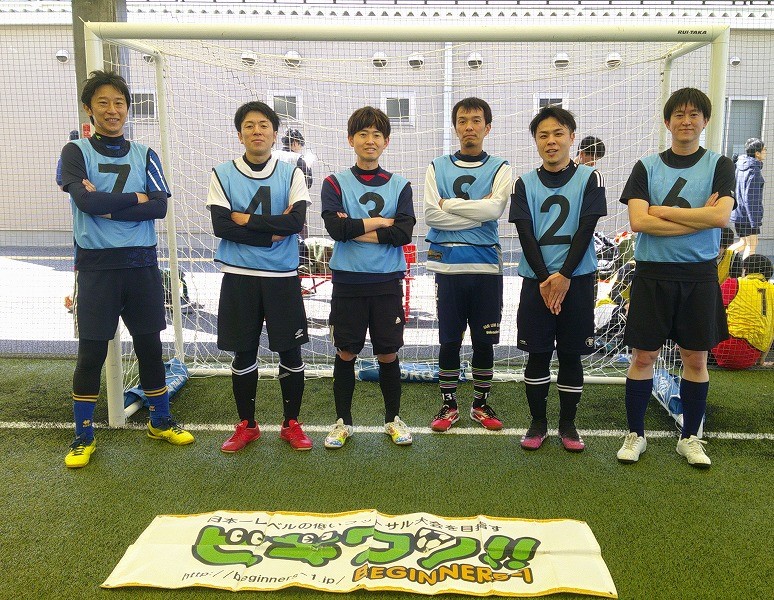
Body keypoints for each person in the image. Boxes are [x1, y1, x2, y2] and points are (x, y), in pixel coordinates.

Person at [58, 70, 194, 468]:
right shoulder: (75, 152)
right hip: (96, 268)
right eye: (103, 102)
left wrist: (108, 205)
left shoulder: (145, 154)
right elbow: (86, 203)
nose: (112, 110)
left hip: (142, 265)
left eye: (119, 102)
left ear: (128, 109)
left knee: (150, 346)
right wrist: (135, 198)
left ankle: (160, 421)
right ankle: (83, 436)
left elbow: (159, 206)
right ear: (89, 108)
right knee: (91, 352)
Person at [616, 87, 736, 468]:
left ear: (705, 120)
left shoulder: (720, 165)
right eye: (679, 115)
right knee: (644, 356)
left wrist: (662, 212)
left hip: (699, 276)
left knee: (695, 360)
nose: (686, 121)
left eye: (694, 114)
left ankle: (690, 438)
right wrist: (698, 219)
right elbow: (639, 222)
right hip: (652, 274)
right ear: (667, 122)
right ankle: (635, 435)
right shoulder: (646, 167)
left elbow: (720, 217)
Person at [207, 101, 313, 452]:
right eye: (249, 126)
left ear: (274, 133)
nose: (257, 131)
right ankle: (247, 425)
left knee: (291, 353)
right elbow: (221, 226)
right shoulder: (223, 173)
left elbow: (295, 222)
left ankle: (291, 423)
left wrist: (246, 220)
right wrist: (270, 234)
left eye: (264, 125)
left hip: (282, 276)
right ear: (240, 134)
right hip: (239, 275)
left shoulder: (291, 173)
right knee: (243, 353)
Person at [509, 106, 607, 452]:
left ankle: (568, 425)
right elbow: (525, 232)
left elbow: (586, 228)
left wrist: (564, 276)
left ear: (571, 137)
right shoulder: (524, 183)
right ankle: (538, 423)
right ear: (536, 141)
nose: (551, 141)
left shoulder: (590, 178)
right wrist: (545, 278)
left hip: (577, 281)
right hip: (536, 282)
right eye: (543, 135)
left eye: (558, 134)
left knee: (570, 355)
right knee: (537, 354)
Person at [321, 107, 415, 449]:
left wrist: (354, 228)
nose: (370, 140)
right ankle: (342, 423)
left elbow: (403, 233)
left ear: (386, 141)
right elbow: (335, 230)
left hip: (386, 282)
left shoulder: (401, 185)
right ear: (351, 140)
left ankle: (392, 419)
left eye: (377, 134)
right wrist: (380, 222)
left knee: (388, 353)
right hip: (348, 281)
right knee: (346, 352)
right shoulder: (334, 182)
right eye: (363, 134)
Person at [423, 97, 512, 432]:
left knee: (484, 341)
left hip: (486, 267)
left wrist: (449, 205)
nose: (469, 127)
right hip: (448, 268)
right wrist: (478, 213)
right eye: (463, 121)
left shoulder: (501, 167)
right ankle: (448, 406)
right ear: (455, 127)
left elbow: (495, 210)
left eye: (476, 121)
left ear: (487, 127)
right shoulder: (437, 166)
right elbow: (431, 215)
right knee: (449, 340)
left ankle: (480, 404)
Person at [712, 254, 774, 369]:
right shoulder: (772, 290)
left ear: (745, 269)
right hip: (750, 357)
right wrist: (761, 361)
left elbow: (710, 309)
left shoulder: (734, 283)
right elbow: (771, 331)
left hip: (724, 349)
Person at [730, 138, 766, 259]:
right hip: (748, 216)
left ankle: (724, 261)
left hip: (738, 213)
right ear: (757, 153)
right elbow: (751, 198)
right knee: (751, 246)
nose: (766, 152)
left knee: (743, 243)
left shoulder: (740, 165)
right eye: (764, 150)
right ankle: (745, 271)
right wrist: (754, 221)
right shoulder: (753, 171)